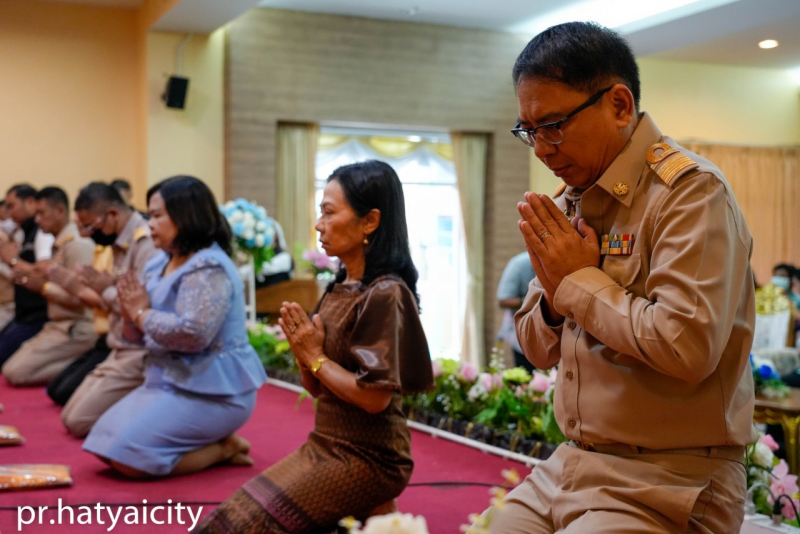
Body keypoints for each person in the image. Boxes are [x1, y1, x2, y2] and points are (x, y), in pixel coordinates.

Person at [484, 22, 756, 533]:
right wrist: (556, 298)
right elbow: (536, 348)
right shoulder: (572, 200)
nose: (541, 149)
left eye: (553, 125)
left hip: (669, 477)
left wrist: (578, 281)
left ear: (619, 105)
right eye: (529, 130)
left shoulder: (690, 193)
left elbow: (687, 346)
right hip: (571, 462)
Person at [195, 160, 434, 533]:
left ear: (370, 221)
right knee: (225, 521)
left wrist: (314, 356)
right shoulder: (338, 287)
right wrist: (304, 356)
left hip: (370, 457)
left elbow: (375, 398)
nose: (319, 224)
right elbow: (318, 389)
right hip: (326, 443)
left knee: (248, 527)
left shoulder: (385, 292)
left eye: (328, 212)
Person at [82, 176, 267, 478]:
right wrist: (130, 315)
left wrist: (140, 313)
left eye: (157, 216)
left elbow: (193, 334)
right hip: (167, 381)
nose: (149, 224)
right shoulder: (158, 263)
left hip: (215, 392)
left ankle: (225, 448)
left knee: (130, 459)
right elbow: (137, 338)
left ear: (186, 215)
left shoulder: (209, 266)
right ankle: (211, 444)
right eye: (149, 215)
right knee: (102, 443)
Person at [53, 183, 157, 436]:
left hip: (138, 350)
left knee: (78, 421)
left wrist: (103, 290)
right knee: (68, 412)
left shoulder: (145, 243)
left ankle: (153, 415)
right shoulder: (119, 241)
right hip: (116, 345)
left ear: (112, 214)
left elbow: (141, 307)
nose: (88, 235)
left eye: (90, 227)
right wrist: (103, 286)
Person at [2, 187, 96, 386]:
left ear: (60, 211)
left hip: (77, 326)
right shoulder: (60, 244)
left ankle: (86, 363)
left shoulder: (77, 244)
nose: (36, 219)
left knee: (16, 372)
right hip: (57, 324)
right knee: (10, 369)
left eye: (41, 213)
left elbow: (83, 298)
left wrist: (43, 288)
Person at [0, 185, 55, 364]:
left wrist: (13, 261)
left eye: (12, 205)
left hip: (38, 316)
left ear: (30, 203)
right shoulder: (25, 233)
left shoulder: (42, 234)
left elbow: (44, 273)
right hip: (23, 314)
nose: (9, 212)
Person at [496, 251, 536, 372]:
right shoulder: (519, 264)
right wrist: (533, 301)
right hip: (524, 332)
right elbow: (503, 300)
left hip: (554, 333)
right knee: (525, 375)